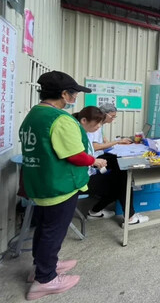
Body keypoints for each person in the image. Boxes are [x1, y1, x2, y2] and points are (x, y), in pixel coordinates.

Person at [19, 71, 103, 300]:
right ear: (64, 94)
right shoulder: (61, 119)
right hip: (60, 185)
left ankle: (42, 266)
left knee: (45, 228)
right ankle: (45, 280)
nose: (75, 98)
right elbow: (76, 155)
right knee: (53, 232)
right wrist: (95, 160)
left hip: (40, 182)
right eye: (73, 93)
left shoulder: (35, 114)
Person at [87, 103, 148, 225]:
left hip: (95, 159)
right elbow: (94, 146)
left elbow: (102, 142)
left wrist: (116, 143)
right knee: (122, 179)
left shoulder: (98, 126)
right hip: (91, 164)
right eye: (113, 116)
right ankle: (130, 217)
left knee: (121, 171)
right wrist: (117, 142)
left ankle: (95, 211)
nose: (113, 119)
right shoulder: (92, 126)